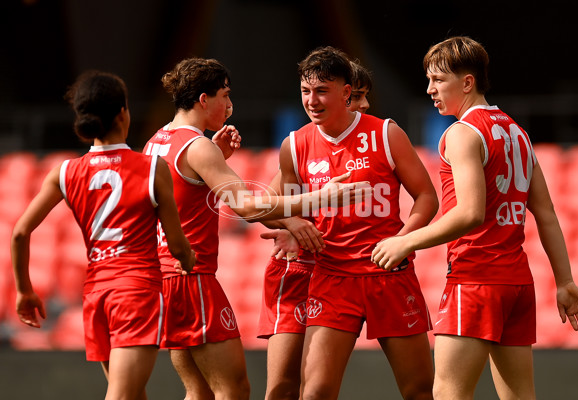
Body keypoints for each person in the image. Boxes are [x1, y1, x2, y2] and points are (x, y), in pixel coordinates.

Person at [371, 36, 578, 399]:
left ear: (468, 82)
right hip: (517, 286)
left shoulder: (462, 134)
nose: (430, 89)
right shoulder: (519, 133)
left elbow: (470, 213)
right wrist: (565, 280)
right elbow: (548, 215)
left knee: (448, 394)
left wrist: (405, 241)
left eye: (438, 80)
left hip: (475, 281)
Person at [142, 57, 368, 400]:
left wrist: (215, 159)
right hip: (193, 280)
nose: (230, 107)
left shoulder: (156, 141)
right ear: (204, 99)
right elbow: (246, 207)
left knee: (198, 391)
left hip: (164, 278)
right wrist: (319, 198)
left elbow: (182, 191)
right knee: (233, 390)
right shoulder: (197, 147)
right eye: (225, 96)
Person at [11, 70, 196, 400]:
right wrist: (188, 259)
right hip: (136, 293)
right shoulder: (152, 168)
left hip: (97, 296)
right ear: (123, 112)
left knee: (131, 393)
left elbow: (20, 233)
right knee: (123, 395)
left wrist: (25, 291)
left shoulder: (64, 172)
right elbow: (178, 244)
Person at [277, 46, 438, 400]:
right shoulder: (294, 145)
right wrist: (291, 224)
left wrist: (404, 240)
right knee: (315, 391)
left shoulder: (386, 133)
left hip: (389, 276)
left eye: (322, 91)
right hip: (332, 277)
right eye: (306, 91)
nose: (312, 100)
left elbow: (427, 196)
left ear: (346, 92)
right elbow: (279, 204)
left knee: (419, 391)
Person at [257, 58, 375, 400]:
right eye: (360, 96)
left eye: (366, 97)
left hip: (341, 273)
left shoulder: (376, 140)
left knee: (318, 387)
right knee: (282, 388)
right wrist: (291, 222)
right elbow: (263, 203)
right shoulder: (302, 145)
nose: (364, 105)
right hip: (298, 270)